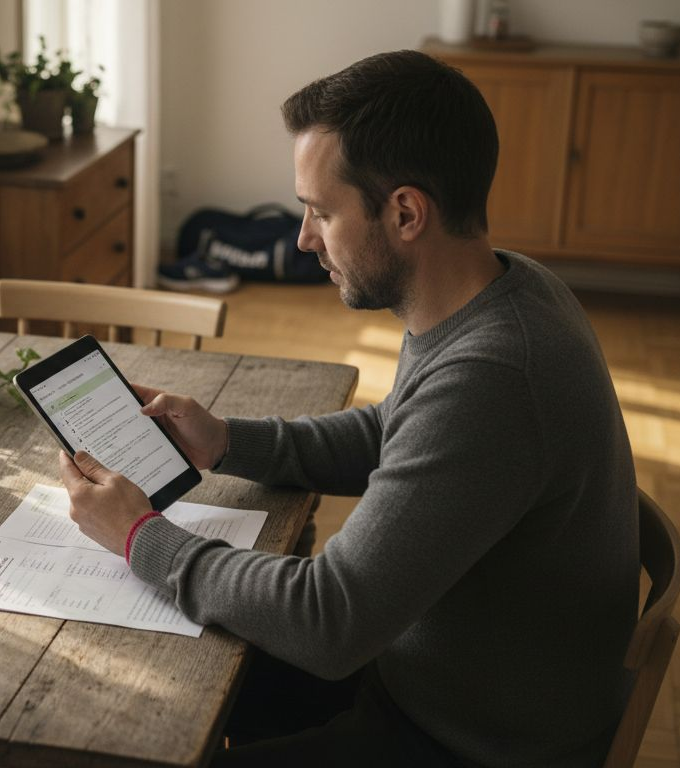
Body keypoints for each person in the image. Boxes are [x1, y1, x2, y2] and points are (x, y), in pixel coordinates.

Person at [57, 49, 638, 767]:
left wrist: (140, 535)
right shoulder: (502, 289)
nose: (303, 239)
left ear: (404, 213)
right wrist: (226, 441)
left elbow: (329, 621)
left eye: (320, 212)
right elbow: (398, 427)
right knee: (150, 685)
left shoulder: (496, 376)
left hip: (465, 739)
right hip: (432, 677)